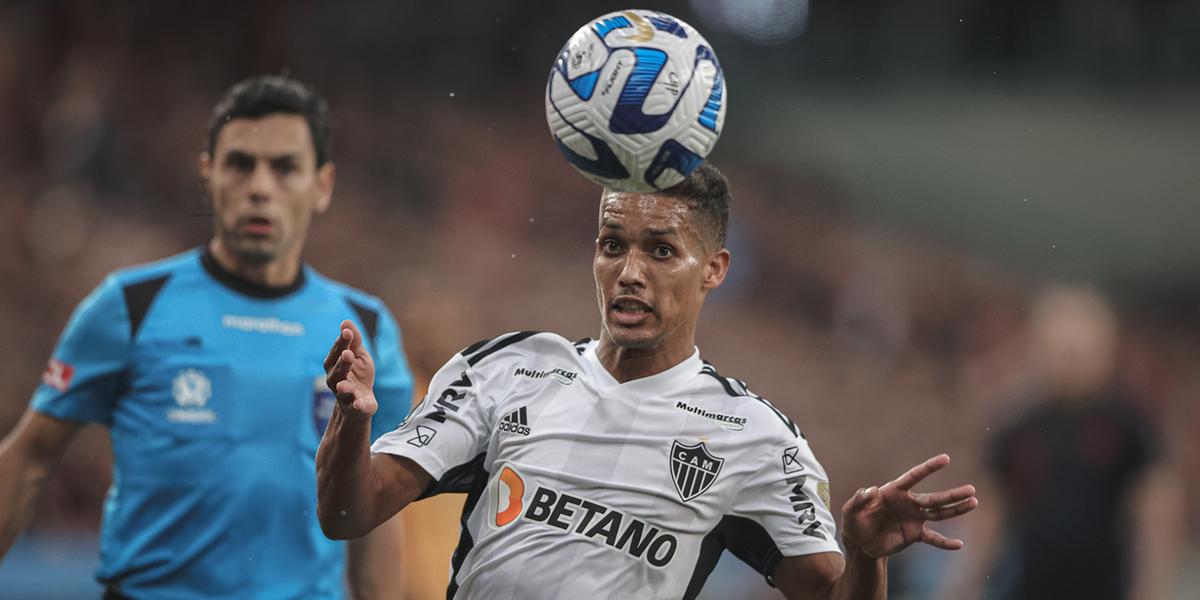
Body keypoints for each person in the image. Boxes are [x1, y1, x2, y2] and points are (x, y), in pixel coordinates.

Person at [317, 163, 978, 599]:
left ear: (714, 269)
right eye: (613, 245)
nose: (630, 271)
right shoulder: (505, 370)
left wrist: (865, 556)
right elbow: (349, 512)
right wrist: (352, 423)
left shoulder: (756, 439)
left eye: (661, 250)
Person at [0, 75, 414, 599]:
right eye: (241, 164)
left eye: (285, 167)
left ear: (322, 185)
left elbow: (372, 513)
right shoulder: (130, 305)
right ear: (207, 174)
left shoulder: (366, 328)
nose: (260, 187)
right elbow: (31, 456)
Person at [939, 286, 1185, 600]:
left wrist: (1151, 588)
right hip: (1030, 587)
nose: (1070, 361)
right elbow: (989, 509)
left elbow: (1157, 508)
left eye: (1079, 349)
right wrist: (963, 583)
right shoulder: (1016, 430)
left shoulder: (1127, 427)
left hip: (1105, 589)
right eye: (1061, 348)